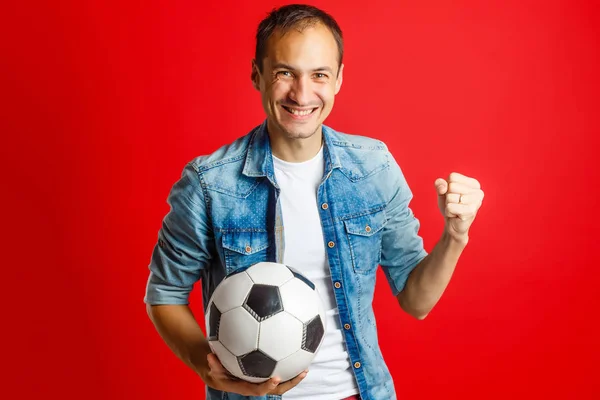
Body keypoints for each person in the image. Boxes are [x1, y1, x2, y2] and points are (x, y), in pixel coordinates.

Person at [144, 4, 485, 400]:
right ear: (257, 74)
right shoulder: (210, 183)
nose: (302, 94)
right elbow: (164, 295)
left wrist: (455, 236)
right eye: (285, 73)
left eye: (319, 74)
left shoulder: (373, 167)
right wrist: (210, 368)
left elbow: (416, 301)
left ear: (338, 79)